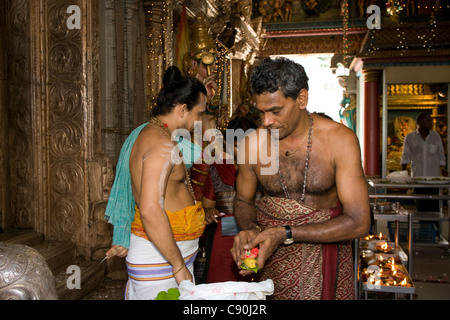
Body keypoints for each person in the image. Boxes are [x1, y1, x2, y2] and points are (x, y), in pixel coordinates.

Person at [230, 57, 371, 300]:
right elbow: (243, 200)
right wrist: (249, 229)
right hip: (271, 263)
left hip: (325, 260)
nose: (266, 122)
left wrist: (285, 233)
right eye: (261, 112)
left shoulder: (339, 140)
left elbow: (359, 221)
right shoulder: (252, 144)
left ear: (301, 99)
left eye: (275, 111)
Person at [104, 66, 207, 300]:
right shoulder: (162, 145)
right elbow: (150, 209)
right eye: (199, 114)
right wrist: (178, 266)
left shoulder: (153, 135)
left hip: (166, 255)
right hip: (162, 260)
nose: (200, 121)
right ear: (182, 109)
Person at [201, 117, 259, 283]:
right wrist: (209, 212)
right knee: (221, 286)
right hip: (223, 239)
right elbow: (206, 207)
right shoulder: (218, 169)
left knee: (250, 285)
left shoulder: (264, 170)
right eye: (235, 145)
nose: (240, 150)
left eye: (245, 145)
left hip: (253, 238)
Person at [400, 112, 447, 212]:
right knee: (421, 207)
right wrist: (404, 175)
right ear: (420, 123)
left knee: (435, 207)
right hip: (418, 178)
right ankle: (423, 227)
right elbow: (405, 156)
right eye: (428, 120)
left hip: (434, 179)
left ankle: (434, 227)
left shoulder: (436, 136)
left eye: (430, 120)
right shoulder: (410, 137)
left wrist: (443, 170)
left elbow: (441, 155)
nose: (430, 123)